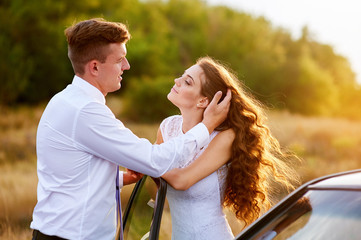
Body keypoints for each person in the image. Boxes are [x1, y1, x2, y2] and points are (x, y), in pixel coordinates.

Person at [30, 19, 231, 240]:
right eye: (119, 60)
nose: (126, 66)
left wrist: (116, 178)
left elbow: (68, 173)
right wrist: (207, 126)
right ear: (95, 67)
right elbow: (155, 160)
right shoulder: (86, 112)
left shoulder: (65, 100)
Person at [158, 56, 299, 239]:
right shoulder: (167, 128)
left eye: (187, 82)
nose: (177, 81)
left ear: (203, 101)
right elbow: (157, 185)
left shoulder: (225, 138)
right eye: (182, 76)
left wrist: (144, 160)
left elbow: (181, 181)